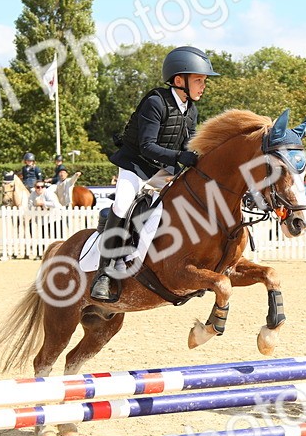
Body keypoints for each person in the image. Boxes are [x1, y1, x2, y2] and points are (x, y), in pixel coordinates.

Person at [90, 45, 219, 303]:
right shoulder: (155, 102)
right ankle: (103, 275)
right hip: (135, 165)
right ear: (179, 80)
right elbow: (147, 145)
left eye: (204, 81)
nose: (203, 86)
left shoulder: (190, 110)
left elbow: (187, 144)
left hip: (161, 171)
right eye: (199, 80)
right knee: (124, 205)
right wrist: (178, 157)